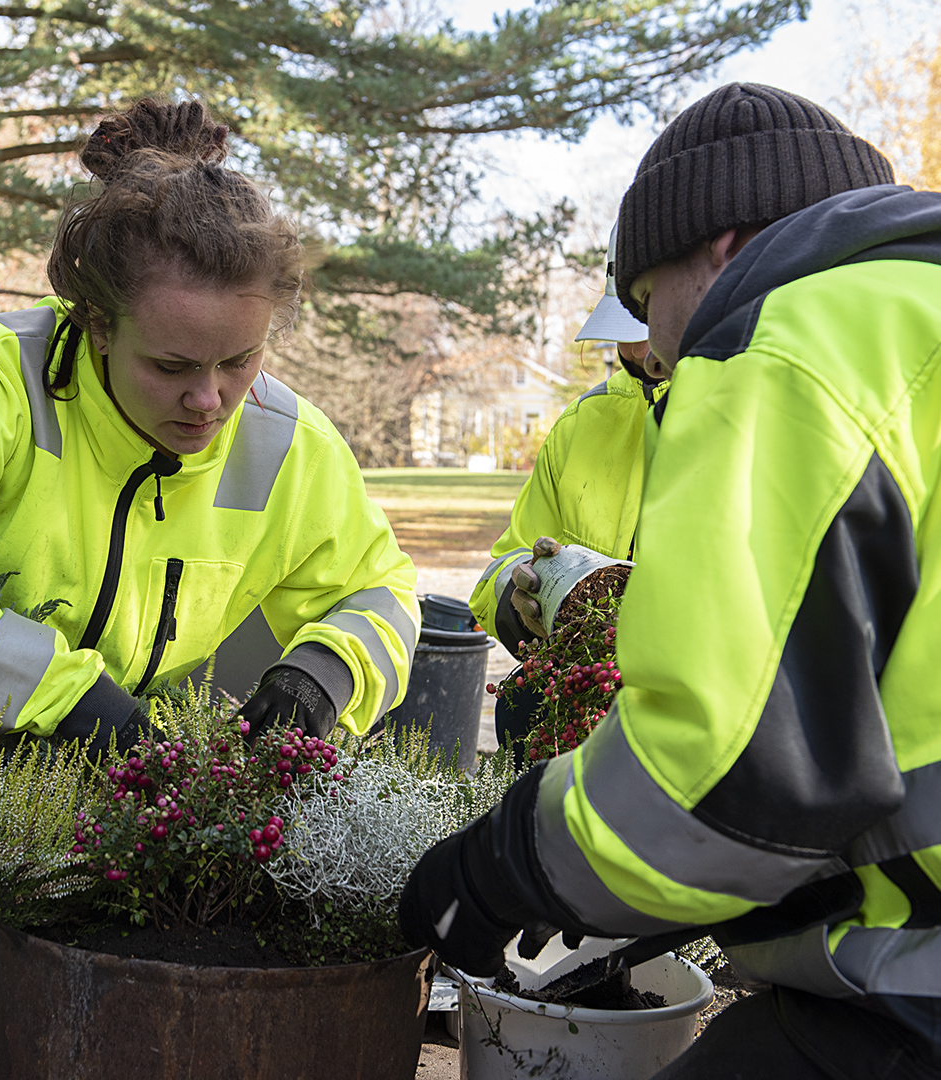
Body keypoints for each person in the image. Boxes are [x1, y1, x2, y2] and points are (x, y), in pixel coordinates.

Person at [401, 82, 941, 1077]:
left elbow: (731, 777)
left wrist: (499, 866)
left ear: (725, 248)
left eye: (650, 302)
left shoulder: (793, 332)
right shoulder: (912, 309)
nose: (653, 346)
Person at [0, 98, 419, 930]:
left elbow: (380, 592)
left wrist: (321, 677)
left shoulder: (287, 440)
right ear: (94, 325)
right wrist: (71, 699)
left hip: (126, 757)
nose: (209, 400)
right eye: (171, 364)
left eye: (240, 360)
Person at [469, 221, 663, 758]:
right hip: (578, 700)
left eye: (648, 319)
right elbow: (501, 565)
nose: (633, 345)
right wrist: (519, 596)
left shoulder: (747, 417)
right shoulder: (582, 424)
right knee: (518, 712)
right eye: (626, 321)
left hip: (684, 714)